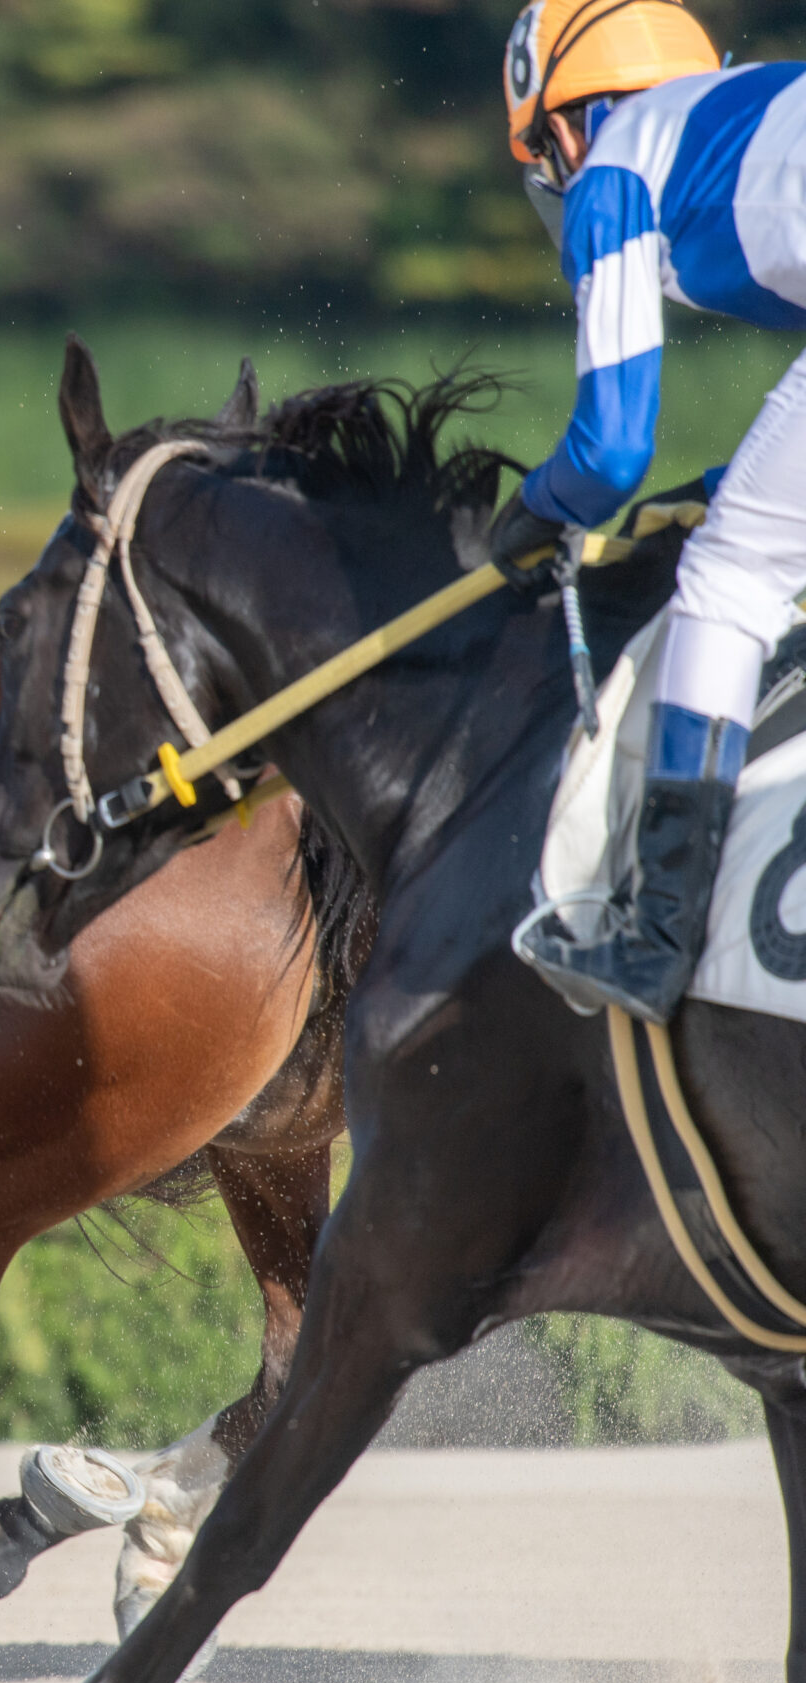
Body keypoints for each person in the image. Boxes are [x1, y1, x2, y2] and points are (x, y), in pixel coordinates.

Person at [493, 0, 805, 1023]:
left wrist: (536, 512)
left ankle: (657, 929)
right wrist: (710, 490)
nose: (558, 175)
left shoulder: (617, 164)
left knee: (731, 577)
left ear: (566, 122)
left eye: (546, 154)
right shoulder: (736, 119)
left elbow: (609, 447)